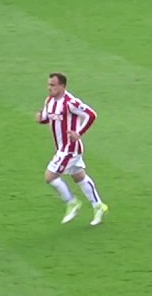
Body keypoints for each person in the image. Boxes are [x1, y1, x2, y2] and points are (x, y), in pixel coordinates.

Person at [37, 72, 108, 227]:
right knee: (79, 177)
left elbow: (91, 115)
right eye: (49, 84)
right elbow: (46, 117)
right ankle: (99, 206)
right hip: (61, 148)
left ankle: (72, 202)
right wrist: (40, 118)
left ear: (62, 86)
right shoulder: (49, 100)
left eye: (53, 85)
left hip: (70, 148)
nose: (49, 88)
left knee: (50, 176)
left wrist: (79, 133)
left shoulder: (70, 102)